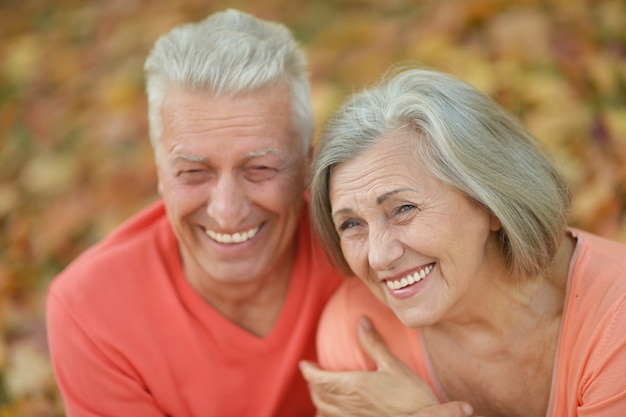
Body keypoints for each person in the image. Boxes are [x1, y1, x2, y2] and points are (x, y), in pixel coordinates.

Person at [45, 9, 345, 417]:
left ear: (308, 165)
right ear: (160, 174)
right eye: (193, 172)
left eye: (260, 169)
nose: (227, 210)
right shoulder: (90, 312)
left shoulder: (365, 251)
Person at [301, 66, 626, 417]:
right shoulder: (359, 332)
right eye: (351, 223)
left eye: (404, 209)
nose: (379, 256)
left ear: (492, 202)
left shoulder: (614, 322)